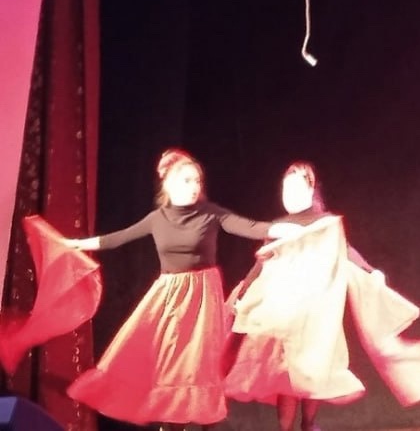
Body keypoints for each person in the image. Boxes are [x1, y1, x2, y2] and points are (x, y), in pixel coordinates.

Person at [63, 148, 302, 430]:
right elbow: (117, 238)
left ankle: (203, 421)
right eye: (187, 180)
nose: (194, 187)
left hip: (203, 299)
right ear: (169, 184)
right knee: (168, 363)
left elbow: (249, 226)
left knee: (199, 365)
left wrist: (282, 229)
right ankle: (171, 423)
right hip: (169, 297)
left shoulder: (210, 214)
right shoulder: (158, 219)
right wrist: (78, 244)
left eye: (197, 181)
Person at [224, 162, 420, 430]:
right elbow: (261, 265)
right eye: (286, 188)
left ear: (311, 190)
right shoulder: (278, 227)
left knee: (315, 369)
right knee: (288, 375)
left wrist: (370, 270)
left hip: (317, 310)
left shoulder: (326, 224)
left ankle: (308, 424)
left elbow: (346, 251)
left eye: (296, 188)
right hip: (286, 312)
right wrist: (243, 292)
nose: (290, 194)